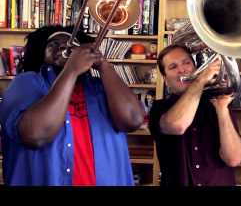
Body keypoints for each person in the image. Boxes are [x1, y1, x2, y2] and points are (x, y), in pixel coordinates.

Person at [0, 25, 145, 186]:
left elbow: (133, 120)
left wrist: (103, 65)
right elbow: (35, 135)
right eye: (53, 45)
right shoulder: (27, 82)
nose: (63, 47)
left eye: (71, 44)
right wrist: (71, 70)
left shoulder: (100, 86)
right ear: (40, 54)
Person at [148, 44, 241, 187]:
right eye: (173, 67)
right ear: (165, 78)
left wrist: (222, 110)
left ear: (195, 68)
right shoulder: (158, 109)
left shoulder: (217, 103)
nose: (182, 70)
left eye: (186, 63)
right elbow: (177, 125)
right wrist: (201, 79)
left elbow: (234, 159)